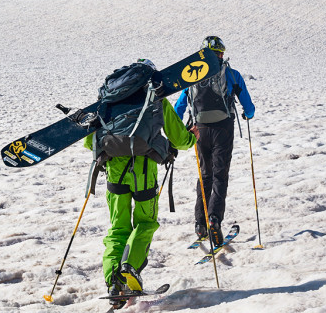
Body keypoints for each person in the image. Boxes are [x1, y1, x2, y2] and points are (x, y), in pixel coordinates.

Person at [84, 59, 198, 309]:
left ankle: (113, 280)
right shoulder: (155, 97)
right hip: (143, 170)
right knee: (145, 222)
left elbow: (88, 142)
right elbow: (179, 139)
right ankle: (130, 267)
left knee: (118, 227)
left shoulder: (108, 100)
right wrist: (192, 138)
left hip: (114, 169)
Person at [174, 36, 255, 247]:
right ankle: (214, 219)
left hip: (199, 130)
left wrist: (178, 129)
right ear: (221, 53)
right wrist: (248, 114)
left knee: (204, 175)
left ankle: (200, 223)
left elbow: (180, 106)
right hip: (223, 129)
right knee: (220, 175)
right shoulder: (231, 74)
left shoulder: (192, 75)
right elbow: (249, 107)